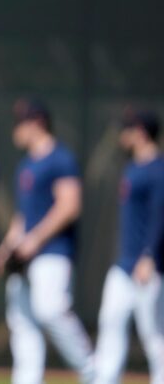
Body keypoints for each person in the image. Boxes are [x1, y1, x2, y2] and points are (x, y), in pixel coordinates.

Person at [0, 99, 94, 384]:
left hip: (53, 252)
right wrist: (7, 249)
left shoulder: (60, 158)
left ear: (37, 122)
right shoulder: (27, 164)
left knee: (51, 310)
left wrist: (33, 241)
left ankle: (92, 371)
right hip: (25, 257)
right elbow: (24, 217)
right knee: (22, 323)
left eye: (21, 122)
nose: (16, 128)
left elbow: (69, 205)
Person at [93, 109, 164, 384]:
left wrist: (150, 256)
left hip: (149, 266)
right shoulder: (132, 167)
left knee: (154, 335)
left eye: (128, 129)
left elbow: (161, 215)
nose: (122, 135)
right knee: (110, 324)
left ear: (141, 132)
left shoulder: (158, 169)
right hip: (123, 265)